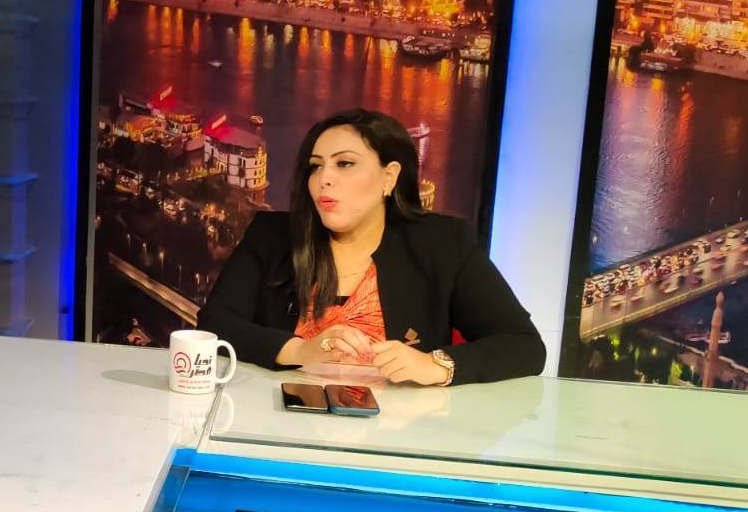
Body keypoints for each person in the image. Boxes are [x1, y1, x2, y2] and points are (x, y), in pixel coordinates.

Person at [198, 108, 544, 385]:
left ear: (389, 177)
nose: (324, 179)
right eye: (316, 167)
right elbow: (214, 324)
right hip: (278, 424)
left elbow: (522, 344)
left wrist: (435, 365)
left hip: (399, 434)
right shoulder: (272, 235)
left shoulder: (443, 243)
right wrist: (299, 351)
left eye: (345, 163)